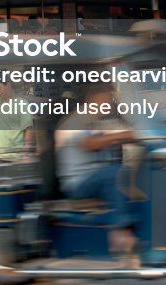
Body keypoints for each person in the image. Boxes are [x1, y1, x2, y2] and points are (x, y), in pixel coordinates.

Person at [55, 85, 138, 254]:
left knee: (138, 173)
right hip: (78, 184)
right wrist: (127, 136)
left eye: (111, 99)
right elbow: (90, 144)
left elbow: (126, 134)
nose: (110, 103)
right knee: (115, 174)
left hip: (98, 180)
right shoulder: (75, 121)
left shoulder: (102, 122)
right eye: (106, 99)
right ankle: (121, 230)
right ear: (92, 99)